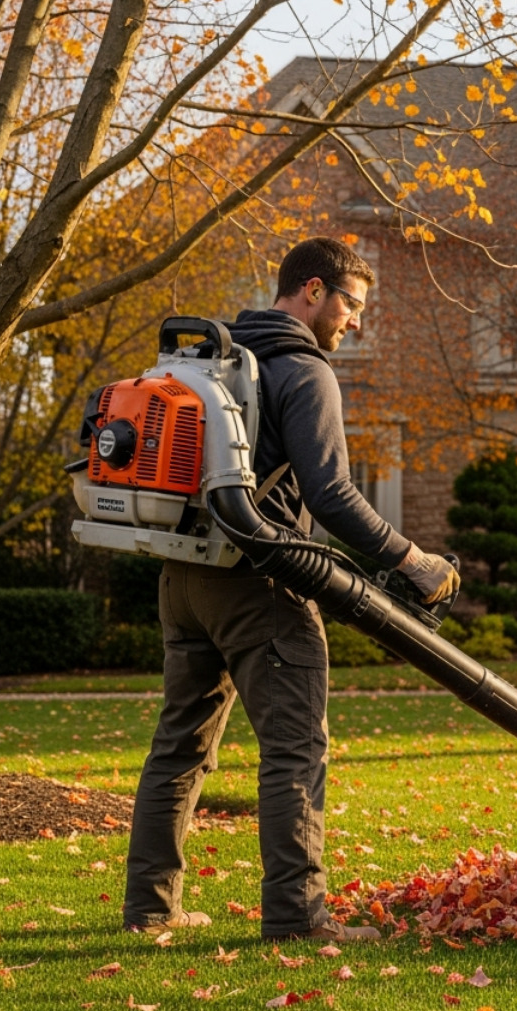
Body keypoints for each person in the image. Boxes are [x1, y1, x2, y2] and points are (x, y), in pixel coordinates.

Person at [122, 237, 459, 942]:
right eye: (351, 305)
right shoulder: (303, 369)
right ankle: (298, 918)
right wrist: (413, 559)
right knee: (295, 749)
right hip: (260, 583)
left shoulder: (214, 357)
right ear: (313, 291)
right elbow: (332, 494)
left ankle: (149, 909)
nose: (355, 322)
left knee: (178, 745)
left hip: (185, 576)